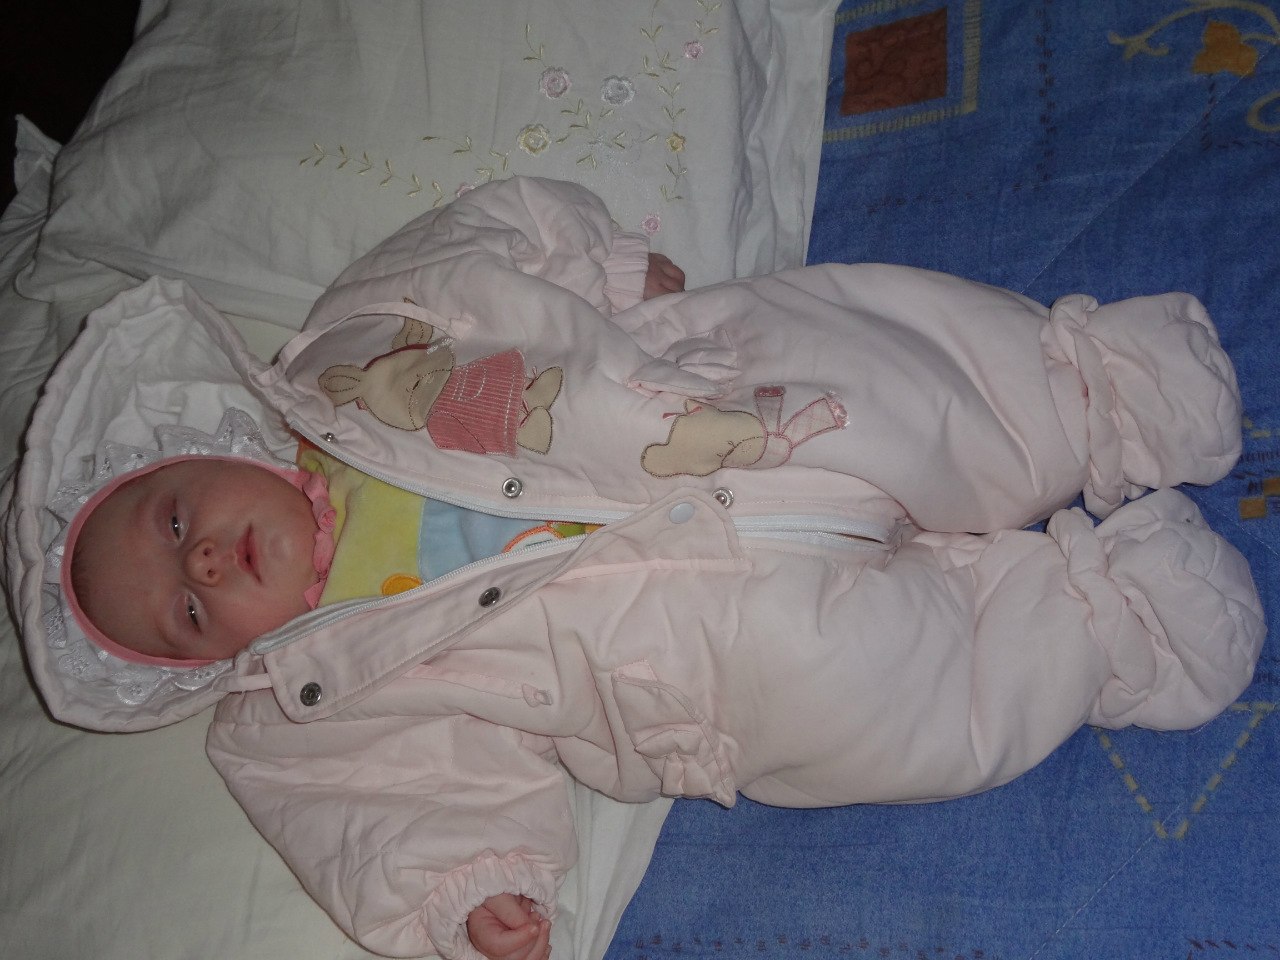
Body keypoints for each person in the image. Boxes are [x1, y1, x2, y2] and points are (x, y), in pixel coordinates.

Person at [35, 176, 1264, 960]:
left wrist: (599, 268)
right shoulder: (302, 714)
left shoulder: (347, 350)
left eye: (173, 519)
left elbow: (476, 236)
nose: (206, 559)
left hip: (707, 410)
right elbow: (389, 811)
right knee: (885, 708)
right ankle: (1101, 624)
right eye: (188, 609)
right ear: (207, 665)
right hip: (703, 664)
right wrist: (471, 892)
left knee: (896, 377)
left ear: (195, 445)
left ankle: (1089, 400)